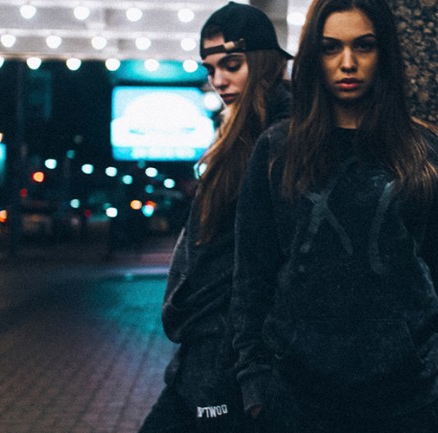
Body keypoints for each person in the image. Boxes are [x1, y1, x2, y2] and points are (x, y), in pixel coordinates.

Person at [230, 0, 438, 432]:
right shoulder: (277, 150)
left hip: (408, 397)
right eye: (331, 47)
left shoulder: (425, 151)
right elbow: (251, 274)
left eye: (364, 46)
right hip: (296, 398)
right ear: (314, 56)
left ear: (384, 53)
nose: (348, 63)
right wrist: (256, 383)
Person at [138, 2, 292, 432]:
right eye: (210, 69)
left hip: (231, 359)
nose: (218, 80)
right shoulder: (241, 134)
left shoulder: (280, 139)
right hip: (204, 354)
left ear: (263, 62)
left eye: (232, 64)